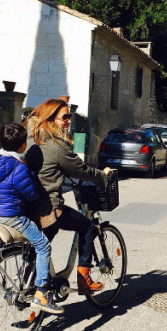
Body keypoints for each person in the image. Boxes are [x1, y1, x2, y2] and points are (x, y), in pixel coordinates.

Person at [24, 98, 112, 295]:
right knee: (88, 227)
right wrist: (102, 176)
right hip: (47, 206)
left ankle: (29, 276)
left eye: (69, 117)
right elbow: (81, 170)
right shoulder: (57, 146)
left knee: (47, 236)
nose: (69, 121)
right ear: (51, 119)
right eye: (65, 117)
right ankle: (84, 279)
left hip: (28, 204)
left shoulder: (32, 138)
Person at [0, 122, 63, 315]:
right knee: (43, 245)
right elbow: (31, 194)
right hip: (12, 217)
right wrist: (32, 174)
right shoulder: (18, 167)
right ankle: (42, 293)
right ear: (22, 146)